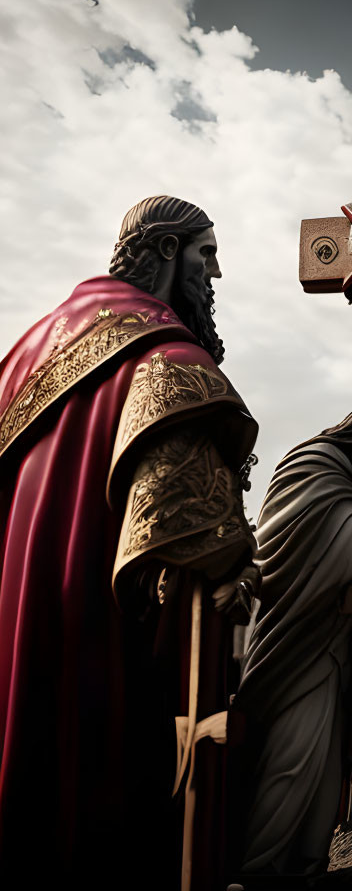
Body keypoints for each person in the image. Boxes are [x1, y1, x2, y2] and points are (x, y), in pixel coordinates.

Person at [0, 196, 258, 889]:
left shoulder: (22, 356)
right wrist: (236, 557)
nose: (217, 273)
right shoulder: (165, 356)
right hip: (96, 624)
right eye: (207, 254)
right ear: (169, 251)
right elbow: (189, 530)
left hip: (16, 615)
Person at [234, 403, 352, 875]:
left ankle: (303, 870)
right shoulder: (314, 465)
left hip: (329, 652)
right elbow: (350, 549)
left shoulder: (342, 477)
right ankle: (258, 872)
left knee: (322, 779)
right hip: (296, 647)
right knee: (291, 765)